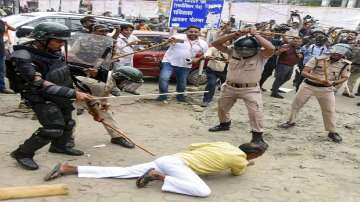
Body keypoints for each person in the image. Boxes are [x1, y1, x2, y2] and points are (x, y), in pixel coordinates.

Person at [9, 22, 93, 170]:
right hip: (39, 95)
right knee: (53, 127)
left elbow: (59, 66)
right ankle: (23, 153)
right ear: (43, 39)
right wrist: (73, 93)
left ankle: (59, 146)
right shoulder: (23, 56)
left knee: (68, 123)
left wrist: (84, 70)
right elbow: (39, 83)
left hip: (58, 91)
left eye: (63, 41)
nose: (61, 45)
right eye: (58, 41)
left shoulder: (51, 51)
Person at [44, 141, 264, 197]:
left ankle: (69, 168)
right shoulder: (241, 160)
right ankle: (158, 177)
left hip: (172, 158)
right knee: (203, 191)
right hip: (177, 166)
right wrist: (247, 164)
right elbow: (236, 172)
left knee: (125, 171)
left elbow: (192, 146)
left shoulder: (224, 145)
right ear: (253, 155)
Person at [208, 27, 275, 153]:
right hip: (230, 87)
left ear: (255, 49)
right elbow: (216, 43)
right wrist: (235, 33)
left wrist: (256, 36)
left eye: (248, 49)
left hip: (250, 89)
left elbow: (271, 48)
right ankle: (224, 124)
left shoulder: (262, 55)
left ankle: (257, 136)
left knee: (255, 112)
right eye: (241, 49)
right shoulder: (233, 51)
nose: (244, 51)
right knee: (222, 107)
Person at [279, 44, 352, 143]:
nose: (336, 55)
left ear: (344, 55)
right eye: (335, 52)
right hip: (308, 85)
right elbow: (304, 72)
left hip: (327, 89)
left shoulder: (345, 64)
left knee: (329, 110)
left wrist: (334, 83)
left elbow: (345, 77)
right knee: (296, 104)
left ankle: (332, 132)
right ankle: (290, 121)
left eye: (339, 54)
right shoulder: (318, 59)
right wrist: (318, 79)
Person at [157, 25, 208, 102]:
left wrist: (198, 59)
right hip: (169, 61)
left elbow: (205, 54)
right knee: (163, 78)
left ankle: (180, 97)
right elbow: (166, 45)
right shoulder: (178, 37)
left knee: (182, 82)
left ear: (199, 33)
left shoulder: (203, 43)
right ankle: (163, 97)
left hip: (185, 65)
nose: (193, 33)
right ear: (186, 32)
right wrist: (169, 41)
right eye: (191, 31)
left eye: (195, 32)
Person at [0, 19, 15, 94]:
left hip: (1, 50)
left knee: (2, 70)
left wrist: (7, 25)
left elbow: (14, 29)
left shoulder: (2, 22)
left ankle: (2, 87)